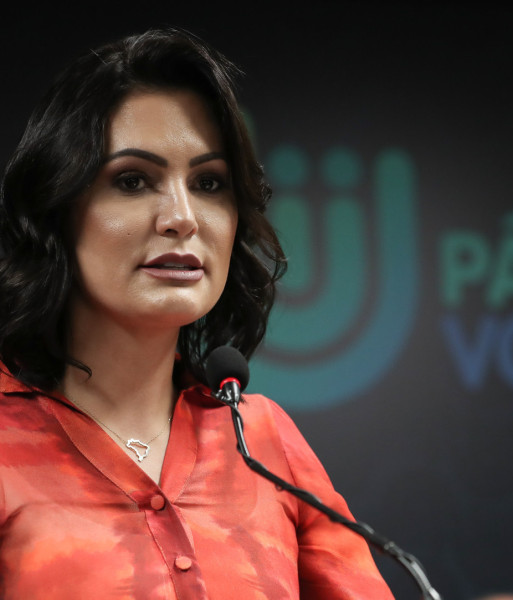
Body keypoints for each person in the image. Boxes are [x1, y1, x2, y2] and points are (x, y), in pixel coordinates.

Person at [0, 27, 394, 599]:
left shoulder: (262, 438)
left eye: (209, 183)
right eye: (133, 180)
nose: (182, 217)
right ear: (56, 208)